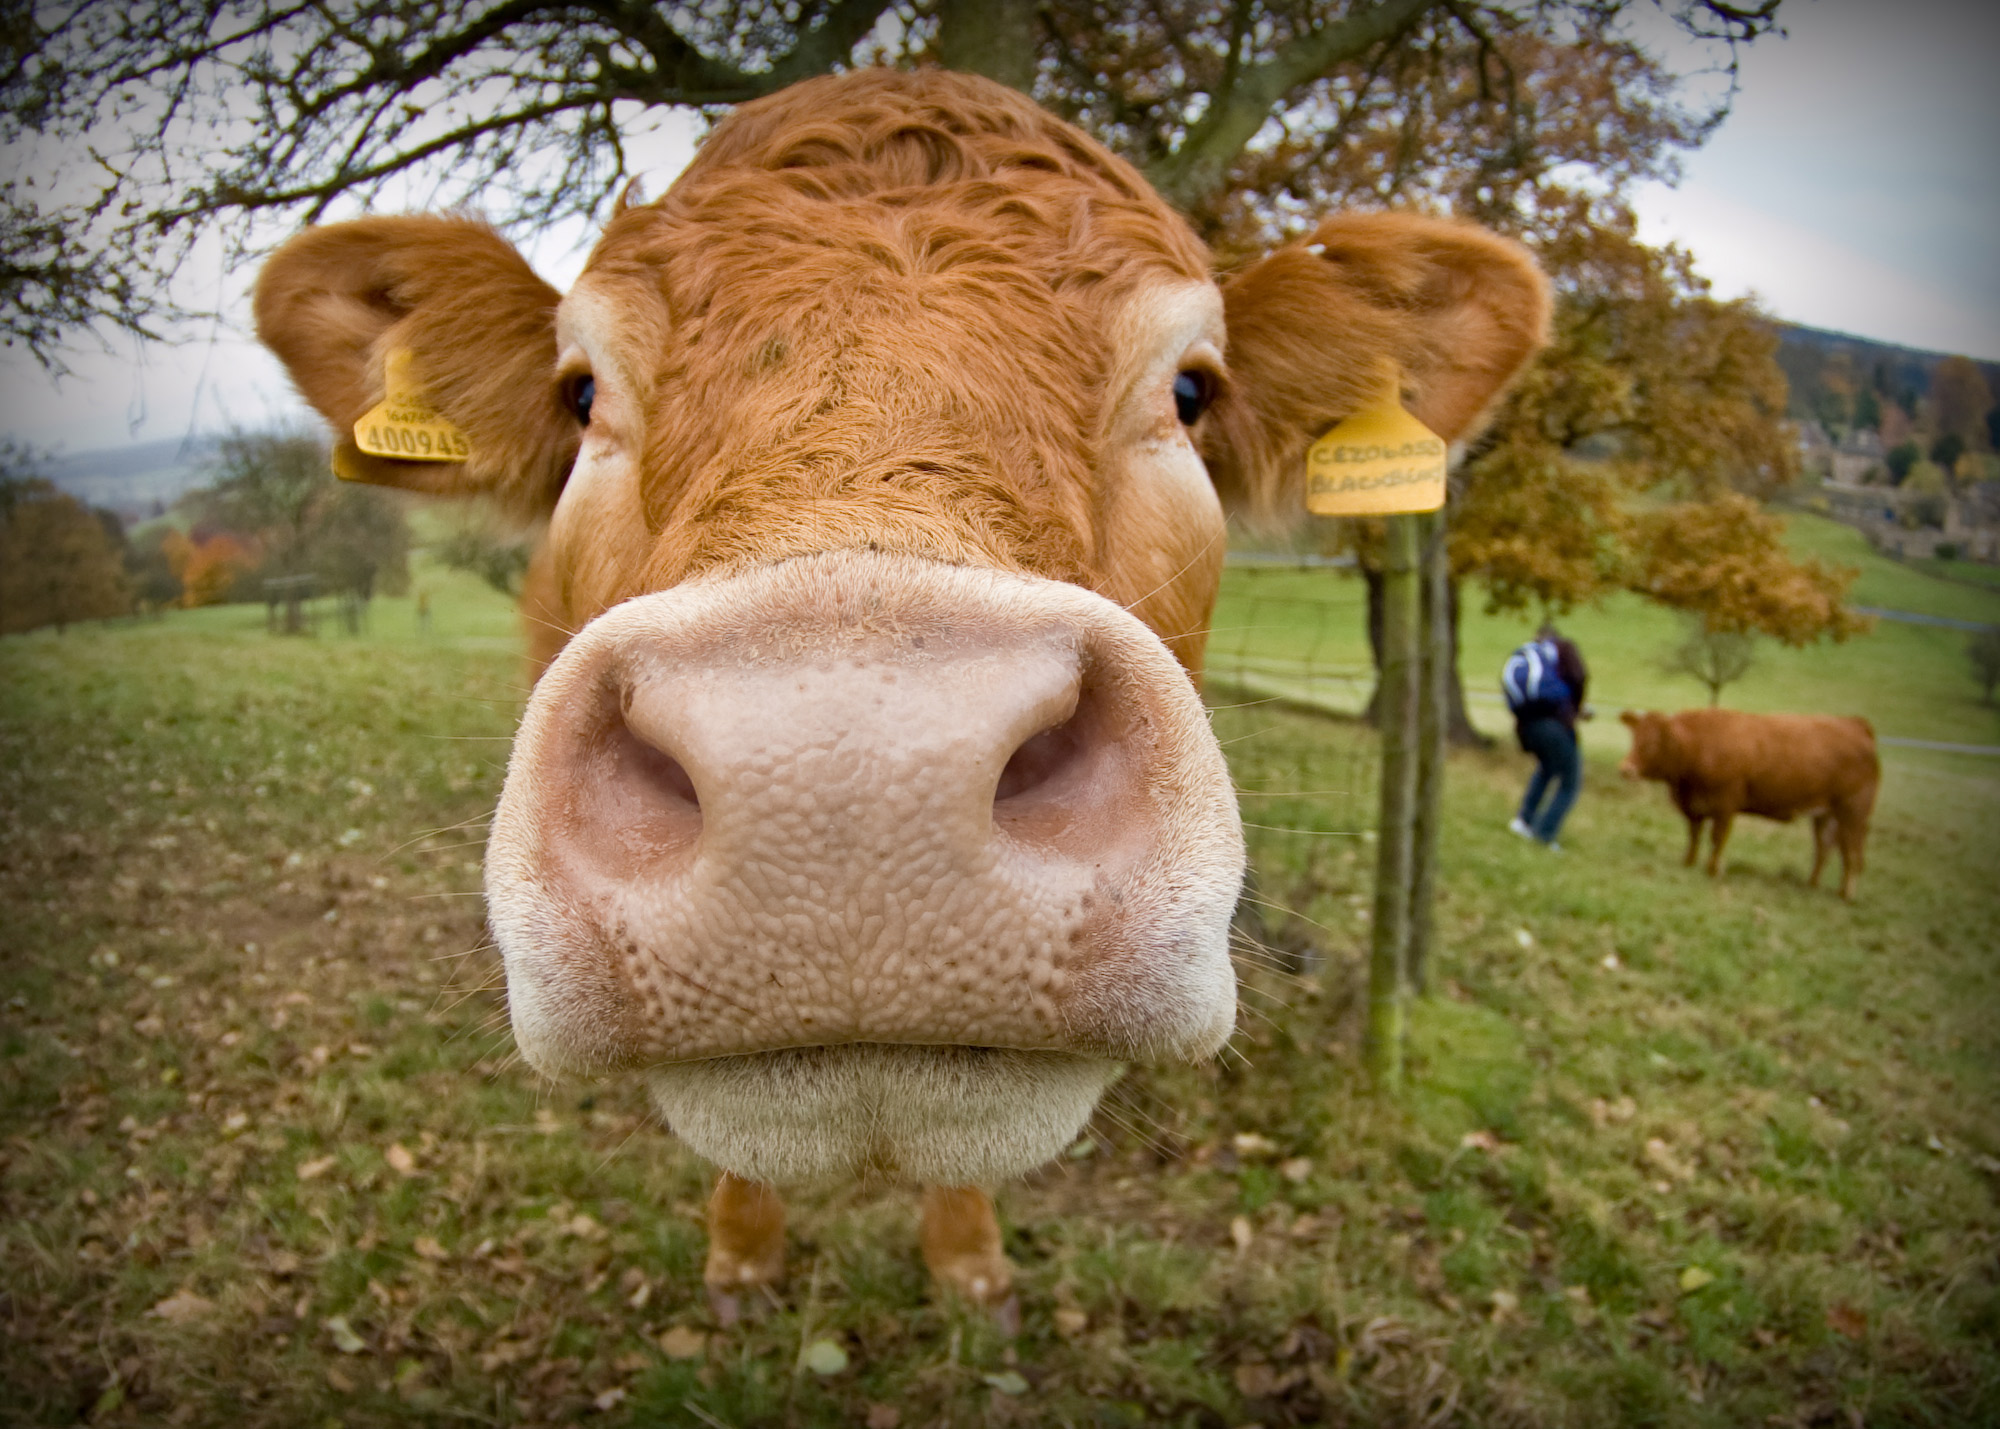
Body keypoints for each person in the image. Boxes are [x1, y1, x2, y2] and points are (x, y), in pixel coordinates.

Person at [1502, 622, 1588, 850]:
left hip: (1526, 726)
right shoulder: (1563, 650)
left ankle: (1524, 820)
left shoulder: (1526, 655)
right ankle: (1545, 834)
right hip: (1554, 725)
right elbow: (1579, 678)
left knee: (1547, 768)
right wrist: (1575, 710)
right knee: (1570, 781)